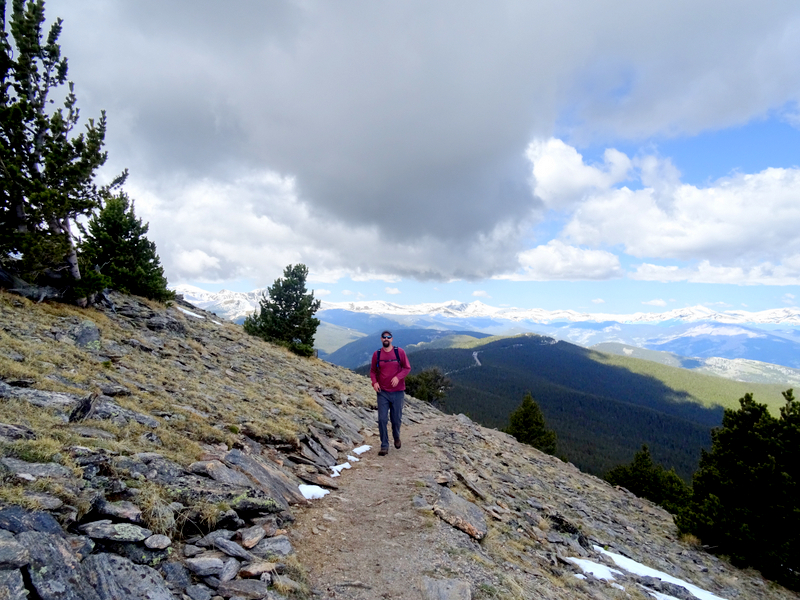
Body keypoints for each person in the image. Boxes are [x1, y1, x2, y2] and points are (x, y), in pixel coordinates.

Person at [369, 330, 411, 456]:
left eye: (388, 337)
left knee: (396, 419)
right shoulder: (377, 354)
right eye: (384, 337)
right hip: (383, 392)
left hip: (398, 392)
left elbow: (407, 368)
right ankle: (384, 445)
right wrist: (374, 382)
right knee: (382, 419)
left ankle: (396, 436)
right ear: (381, 339)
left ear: (392, 339)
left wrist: (398, 377)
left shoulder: (400, 352)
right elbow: (372, 371)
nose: (386, 339)